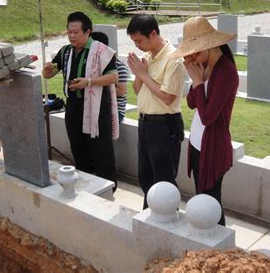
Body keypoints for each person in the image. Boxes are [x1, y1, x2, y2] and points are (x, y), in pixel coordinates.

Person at [169, 16, 239, 226]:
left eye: (194, 54)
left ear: (208, 47)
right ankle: (209, 245)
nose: (192, 60)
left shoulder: (226, 72)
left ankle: (219, 249)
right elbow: (191, 102)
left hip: (213, 146)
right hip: (198, 143)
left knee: (210, 202)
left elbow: (208, 117)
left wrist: (199, 82)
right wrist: (195, 80)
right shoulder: (205, 66)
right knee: (203, 198)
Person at [43, 12, 119, 189]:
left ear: (87, 32)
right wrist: (47, 70)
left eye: (76, 32)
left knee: (101, 149)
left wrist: (89, 82)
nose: (71, 36)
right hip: (73, 106)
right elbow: (49, 74)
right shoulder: (65, 52)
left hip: (97, 106)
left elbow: (113, 77)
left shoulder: (101, 50)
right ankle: (86, 184)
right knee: (77, 146)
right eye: (69, 32)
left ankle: (107, 188)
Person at [126, 14, 185, 209]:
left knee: (163, 178)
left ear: (153, 34)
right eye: (134, 41)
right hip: (145, 122)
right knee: (146, 175)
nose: (137, 45)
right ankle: (150, 215)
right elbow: (137, 90)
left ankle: (167, 217)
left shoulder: (173, 59)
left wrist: (143, 74)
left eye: (139, 40)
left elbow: (168, 97)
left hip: (164, 124)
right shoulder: (149, 57)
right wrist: (139, 74)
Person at [90, 31, 129, 123]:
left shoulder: (118, 65)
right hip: (95, 107)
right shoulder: (91, 63)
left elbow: (121, 91)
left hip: (114, 111)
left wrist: (95, 84)